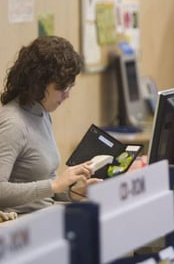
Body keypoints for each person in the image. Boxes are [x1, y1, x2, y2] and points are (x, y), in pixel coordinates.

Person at [0, 35, 101, 215]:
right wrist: (55, 185)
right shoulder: (13, 123)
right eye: (62, 88)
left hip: (44, 215)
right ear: (38, 83)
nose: (67, 95)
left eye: (70, 87)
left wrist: (75, 192)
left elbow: (46, 187)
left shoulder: (42, 113)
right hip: (19, 228)